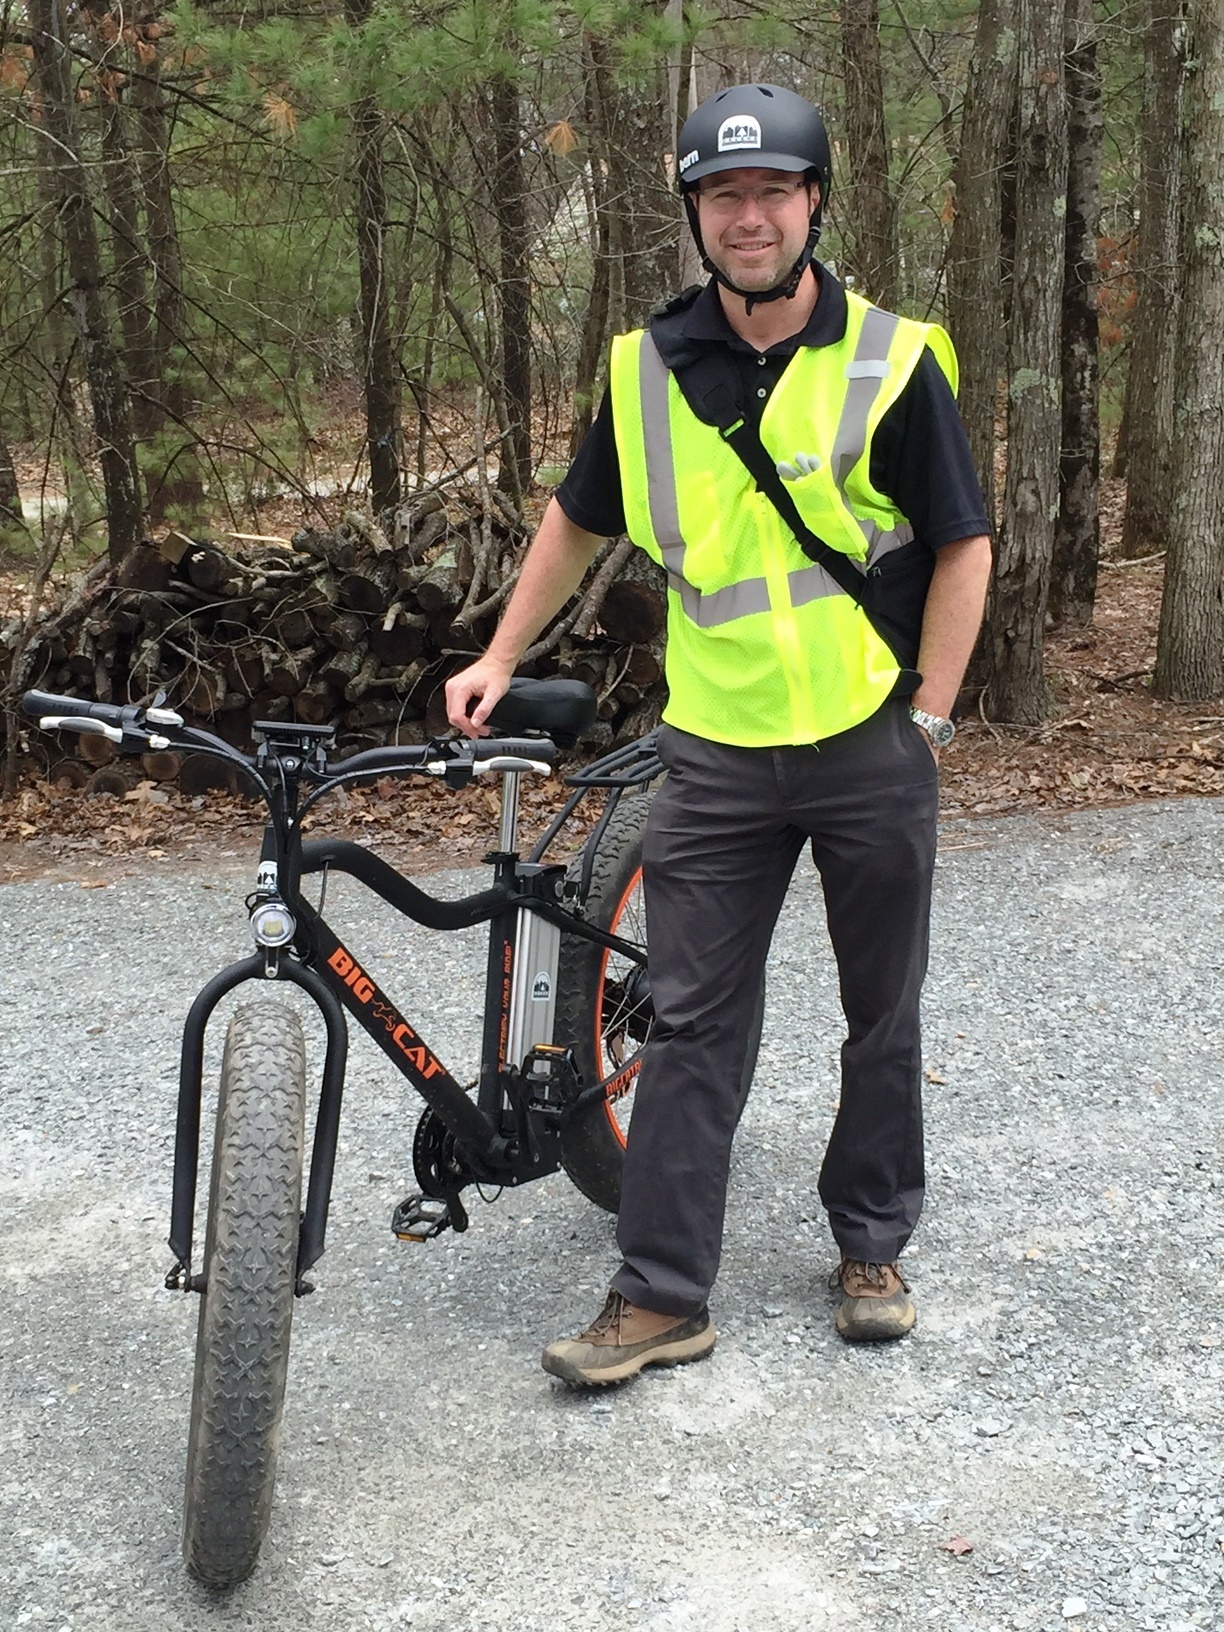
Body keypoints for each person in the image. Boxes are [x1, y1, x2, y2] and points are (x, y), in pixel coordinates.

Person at [445, 82, 992, 1386]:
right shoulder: (644, 372)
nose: (750, 217)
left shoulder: (894, 360)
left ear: (813, 204)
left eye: (774, 191)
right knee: (688, 1021)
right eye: (724, 195)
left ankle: (870, 1242)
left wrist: (930, 712)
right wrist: (500, 651)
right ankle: (660, 1293)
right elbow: (578, 520)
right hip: (718, 755)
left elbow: (965, 545)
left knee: (883, 1012)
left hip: (869, 742)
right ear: (696, 213)